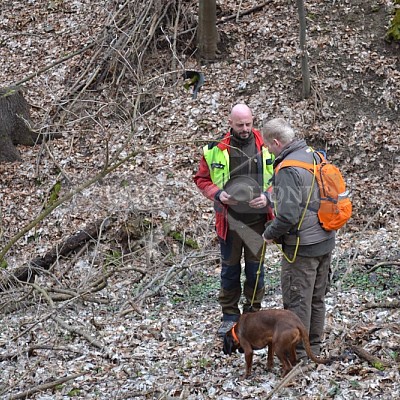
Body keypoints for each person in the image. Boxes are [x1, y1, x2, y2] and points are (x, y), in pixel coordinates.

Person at [194, 104, 274, 337]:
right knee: (229, 271)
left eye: (248, 124)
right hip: (228, 222)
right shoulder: (215, 150)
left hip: (259, 222)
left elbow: (283, 175)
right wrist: (218, 194)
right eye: (240, 125)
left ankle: (253, 314)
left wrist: (268, 197)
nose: (245, 129)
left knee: (255, 270)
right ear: (230, 123)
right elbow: (201, 179)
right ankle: (229, 315)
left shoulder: (268, 144)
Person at [261, 117, 336, 359]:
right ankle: (314, 347)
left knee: (297, 303)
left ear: (275, 142)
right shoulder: (313, 155)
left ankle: (300, 355)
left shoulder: (287, 169)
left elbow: (288, 216)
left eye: (267, 146)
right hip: (325, 239)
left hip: (302, 248)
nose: (267, 151)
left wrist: (269, 234)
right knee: (316, 299)